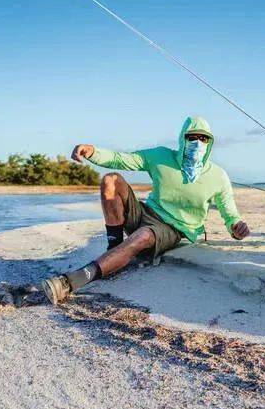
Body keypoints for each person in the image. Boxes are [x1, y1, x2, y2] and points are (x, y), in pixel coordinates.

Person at [42, 115, 250, 304]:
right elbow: (122, 159)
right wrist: (93, 152)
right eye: (192, 137)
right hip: (146, 212)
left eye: (203, 139)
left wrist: (236, 228)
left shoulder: (218, 176)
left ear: (210, 143)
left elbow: (230, 213)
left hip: (174, 228)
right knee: (111, 180)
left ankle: (71, 282)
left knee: (142, 235)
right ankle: (113, 249)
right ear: (182, 139)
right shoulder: (161, 156)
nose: (197, 143)